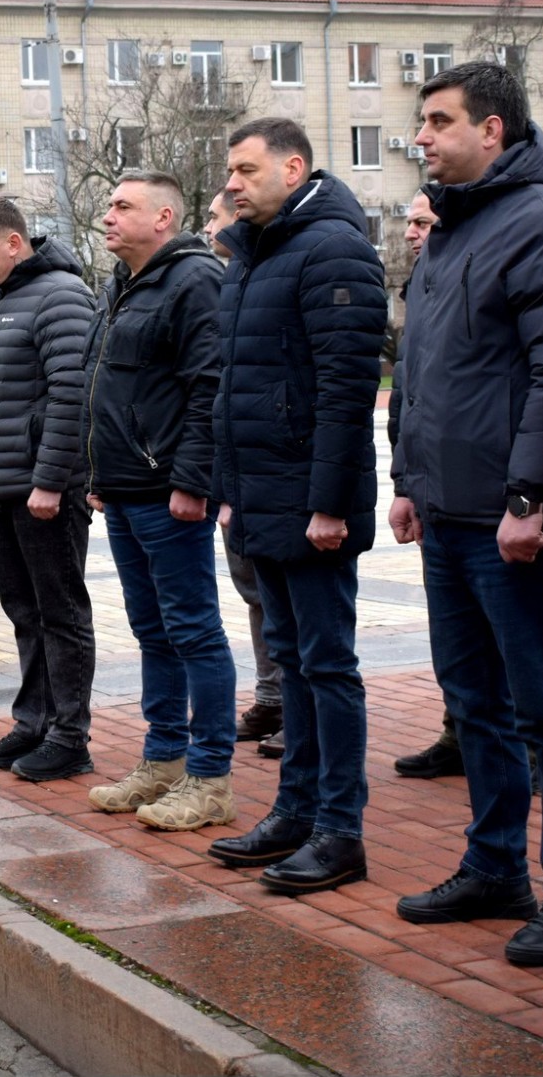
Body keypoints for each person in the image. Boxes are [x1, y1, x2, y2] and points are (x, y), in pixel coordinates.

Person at [390, 61, 543, 966]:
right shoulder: (453, 227)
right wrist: (408, 478)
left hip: (514, 520)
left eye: (439, 121)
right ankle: (494, 866)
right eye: (422, 121)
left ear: (493, 129)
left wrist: (530, 497)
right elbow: (425, 370)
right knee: (475, 702)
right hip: (449, 510)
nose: (421, 137)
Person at [204, 119, 387, 892]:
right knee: (294, 661)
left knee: (327, 664)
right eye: (231, 170)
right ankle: (295, 810)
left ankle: (339, 828)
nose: (232, 184)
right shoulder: (256, 253)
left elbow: (346, 388)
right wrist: (228, 490)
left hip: (312, 506)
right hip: (262, 497)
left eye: (246, 170)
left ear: (293, 168)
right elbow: (234, 385)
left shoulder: (334, 247)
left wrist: (330, 504)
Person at [83, 171, 236, 832]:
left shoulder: (194, 280)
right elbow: (107, 387)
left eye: (123, 206)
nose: (108, 216)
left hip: (168, 492)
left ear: (164, 218)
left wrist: (194, 481)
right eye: (108, 205)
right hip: (124, 488)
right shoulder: (123, 283)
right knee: (153, 630)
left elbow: (209, 387)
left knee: (193, 629)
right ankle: (164, 759)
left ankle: (210, 776)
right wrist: (98, 471)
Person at [0, 194, 97, 782]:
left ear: (14, 243)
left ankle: (69, 736)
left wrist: (50, 481)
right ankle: (33, 721)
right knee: (22, 608)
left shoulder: (62, 295)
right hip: (7, 485)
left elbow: (73, 396)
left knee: (59, 612)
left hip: (47, 491)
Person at [386, 189, 466, 782]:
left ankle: (529, 748)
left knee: (503, 639)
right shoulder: (420, 286)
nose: (411, 232)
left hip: (479, 491)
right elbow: (407, 397)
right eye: (408, 222)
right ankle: (458, 732)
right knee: (454, 635)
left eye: (421, 222)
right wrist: (404, 483)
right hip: (430, 486)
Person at [201, 188, 282, 755]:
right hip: (237, 470)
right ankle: (273, 698)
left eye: (214, 217)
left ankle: (294, 706)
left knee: (281, 599)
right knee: (254, 592)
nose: (208, 227)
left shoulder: (243, 278)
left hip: (270, 471)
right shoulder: (232, 277)